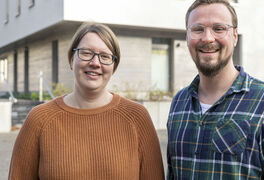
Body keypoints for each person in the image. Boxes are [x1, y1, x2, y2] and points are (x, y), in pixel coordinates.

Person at [166, 0, 264, 179]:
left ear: (235, 36)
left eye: (219, 28)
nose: (207, 38)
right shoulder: (179, 103)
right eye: (198, 29)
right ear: (187, 37)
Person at [9, 22, 164, 180]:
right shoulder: (39, 119)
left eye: (104, 56)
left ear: (113, 66)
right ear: (71, 59)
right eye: (86, 53)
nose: (95, 63)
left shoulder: (136, 117)